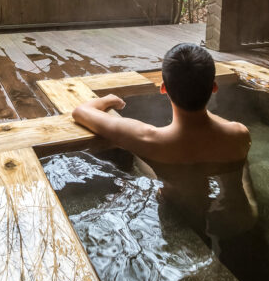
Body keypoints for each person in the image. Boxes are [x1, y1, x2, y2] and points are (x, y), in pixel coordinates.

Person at [72, 43, 258, 250]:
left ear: (163, 89)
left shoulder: (150, 141)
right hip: (241, 223)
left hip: (181, 220)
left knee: (140, 160)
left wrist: (107, 99)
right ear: (214, 88)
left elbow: (81, 111)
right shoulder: (240, 134)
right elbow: (214, 126)